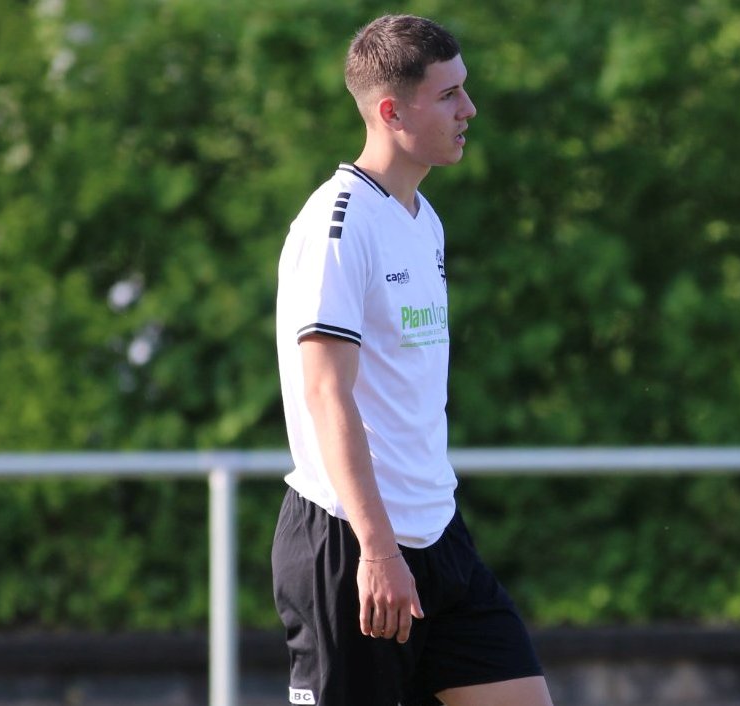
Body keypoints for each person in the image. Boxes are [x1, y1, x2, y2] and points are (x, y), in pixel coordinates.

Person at [272, 13, 555, 706]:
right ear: (392, 112)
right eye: (449, 94)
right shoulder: (338, 223)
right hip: (354, 545)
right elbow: (326, 393)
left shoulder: (423, 219)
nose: (470, 109)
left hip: (438, 535)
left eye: (465, 88)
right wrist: (378, 550)